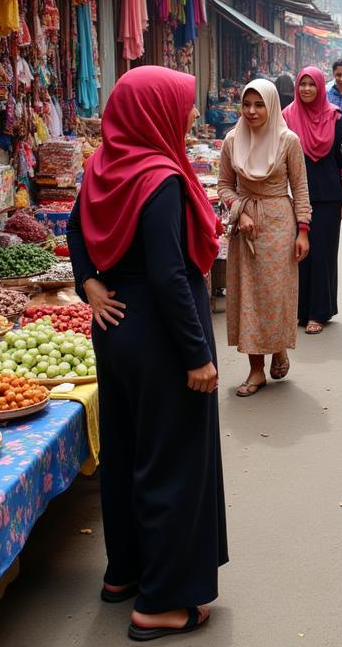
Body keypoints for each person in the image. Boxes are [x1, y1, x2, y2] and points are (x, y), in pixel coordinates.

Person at [67, 66, 225, 639]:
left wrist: (89, 283)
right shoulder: (159, 177)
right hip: (160, 334)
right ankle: (159, 602)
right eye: (180, 105)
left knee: (129, 450)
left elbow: (75, 231)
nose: (187, 116)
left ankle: (124, 573)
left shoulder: (102, 165)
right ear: (154, 110)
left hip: (114, 329)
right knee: (172, 462)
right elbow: (168, 275)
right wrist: (196, 356)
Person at [218, 78, 311, 396]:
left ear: (271, 105)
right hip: (245, 228)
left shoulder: (289, 141)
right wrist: (239, 211)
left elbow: (299, 188)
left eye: (259, 104)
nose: (252, 111)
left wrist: (303, 231)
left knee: (275, 294)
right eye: (246, 104)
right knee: (248, 297)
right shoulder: (232, 140)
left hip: (278, 224)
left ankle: (279, 346)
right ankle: (256, 370)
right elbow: (224, 186)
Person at [284, 68, 342, 333]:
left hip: (327, 197)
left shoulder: (334, 117)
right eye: (302, 84)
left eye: (312, 85)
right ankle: (299, 310)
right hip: (293, 196)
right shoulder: (286, 117)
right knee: (297, 254)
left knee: (322, 254)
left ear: (320, 87)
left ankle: (318, 312)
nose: (306, 89)